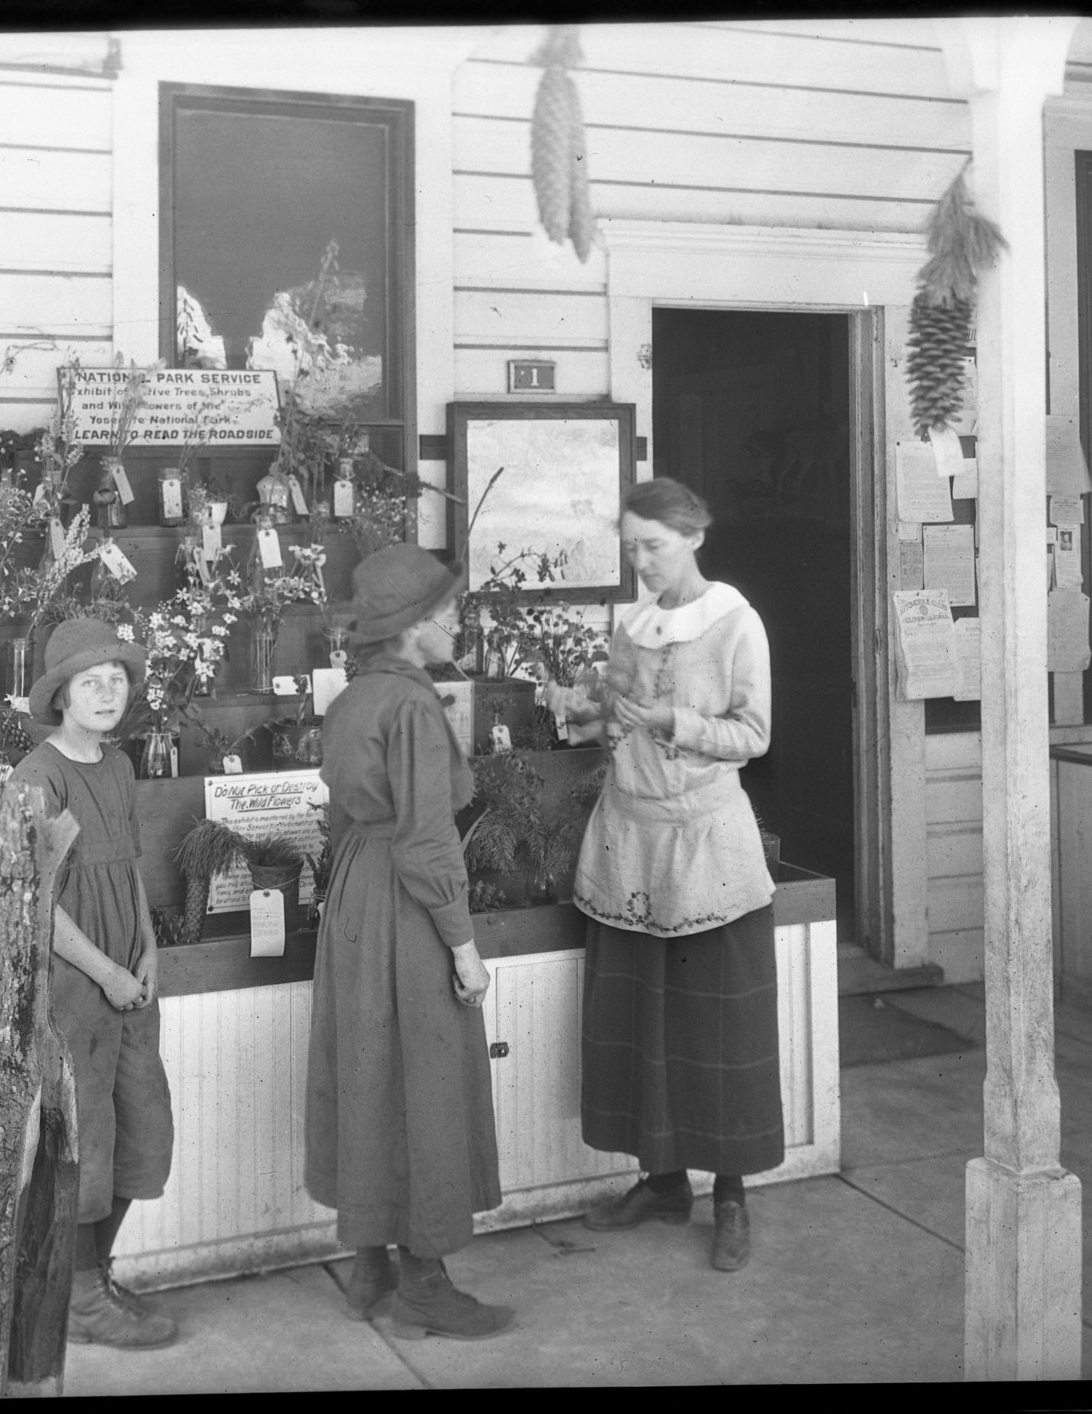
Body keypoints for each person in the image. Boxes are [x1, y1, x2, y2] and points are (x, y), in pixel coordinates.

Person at [544, 477, 782, 1273]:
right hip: (628, 837)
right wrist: (585, 715)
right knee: (643, 1016)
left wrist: (674, 723)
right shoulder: (633, 625)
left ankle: (732, 1197)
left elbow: (753, 734)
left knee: (712, 1025)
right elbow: (618, 720)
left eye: (653, 544)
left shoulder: (735, 623)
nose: (640, 560)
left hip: (703, 844)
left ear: (694, 536)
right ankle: (661, 1181)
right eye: (631, 546)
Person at [305, 542, 514, 1341]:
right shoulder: (415, 707)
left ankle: (369, 1267)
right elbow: (428, 843)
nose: (456, 621)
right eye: (447, 611)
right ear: (415, 628)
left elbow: (349, 818)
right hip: (406, 898)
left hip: (357, 891)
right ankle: (423, 1283)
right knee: (426, 1078)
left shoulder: (356, 698)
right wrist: (462, 948)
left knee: (368, 1069)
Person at [10, 619, 178, 1350]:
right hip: (72, 985)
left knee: (142, 1127)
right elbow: (32, 905)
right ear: (61, 697)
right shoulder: (36, 777)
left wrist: (146, 954)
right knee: (84, 1143)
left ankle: (95, 1277)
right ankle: (77, 1300)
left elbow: (128, 868)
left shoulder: (117, 766)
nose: (109, 693)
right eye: (91, 682)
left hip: (127, 979)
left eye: (117, 679)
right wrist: (106, 971)